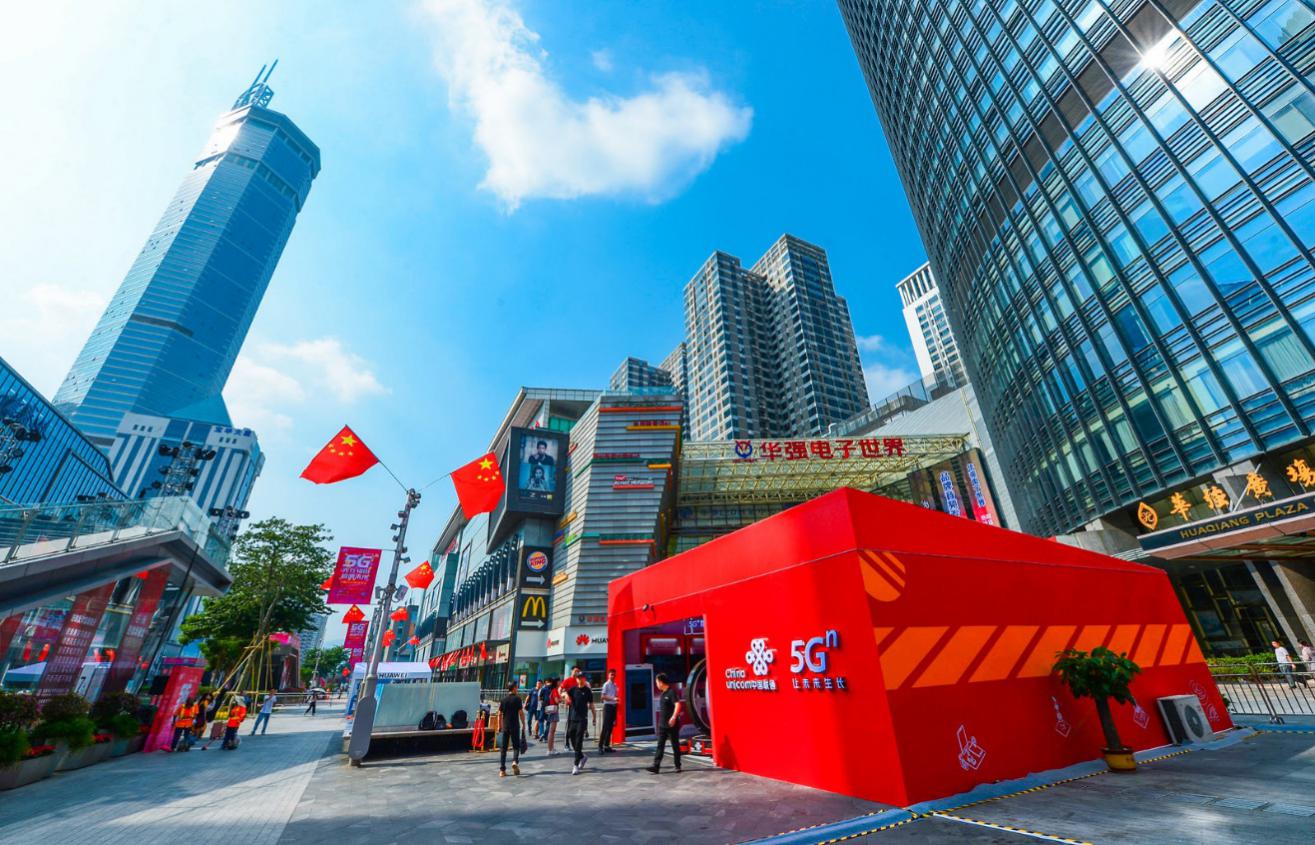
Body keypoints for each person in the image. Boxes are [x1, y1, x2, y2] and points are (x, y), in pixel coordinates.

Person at [647, 673, 683, 774]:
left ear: (661, 682)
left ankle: (677, 765)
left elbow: (678, 705)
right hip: (662, 725)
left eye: (657, 682)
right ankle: (656, 766)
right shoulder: (663, 694)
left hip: (672, 725)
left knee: (675, 745)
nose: (656, 685)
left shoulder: (671, 692)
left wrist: (674, 717)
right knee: (660, 745)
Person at [564, 675, 596, 775]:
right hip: (573, 718)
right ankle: (582, 756)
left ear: (584, 679)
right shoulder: (573, 689)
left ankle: (575, 765)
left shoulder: (587, 691)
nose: (580, 679)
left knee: (578, 741)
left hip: (582, 719)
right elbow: (564, 693)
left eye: (582, 678)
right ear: (576, 679)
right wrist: (566, 697)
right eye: (578, 678)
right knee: (571, 737)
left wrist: (594, 716)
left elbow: (591, 704)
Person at [498, 682, 526, 777]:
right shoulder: (517, 699)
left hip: (505, 726)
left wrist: (499, 725)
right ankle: (514, 761)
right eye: (516, 687)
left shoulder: (503, 699)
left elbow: (499, 714)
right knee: (516, 746)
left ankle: (502, 770)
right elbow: (521, 713)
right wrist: (524, 723)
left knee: (503, 748)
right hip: (515, 726)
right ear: (514, 688)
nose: (517, 689)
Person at [598, 668, 618, 753]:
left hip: (613, 706)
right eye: (611, 674)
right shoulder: (606, 684)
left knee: (610, 727)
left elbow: (615, 696)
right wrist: (613, 698)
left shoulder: (615, 685)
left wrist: (616, 700)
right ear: (608, 675)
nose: (613, 676)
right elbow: (602, 696)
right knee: (605, 727)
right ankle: (600, 746)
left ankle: (606, 746)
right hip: (607, 707)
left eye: (614, 674)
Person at [543, 678, 561, 754]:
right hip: (554, 711)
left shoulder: (553, 690)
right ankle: (550, 749)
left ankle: (551, 748)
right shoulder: (555, 690)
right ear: (556, 683)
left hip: (552, 711)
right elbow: (556, 700)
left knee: (552, 731)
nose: (560, 682)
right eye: (559, 681)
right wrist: (562, 699)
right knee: (552, 731)